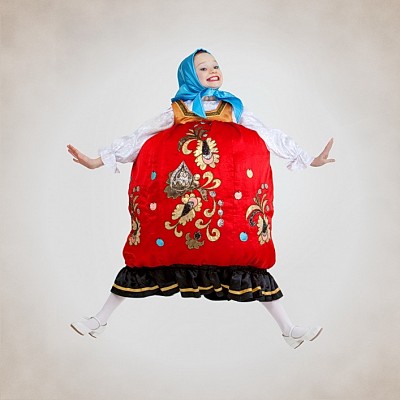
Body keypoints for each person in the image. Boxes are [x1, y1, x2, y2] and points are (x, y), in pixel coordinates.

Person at [68, 49, 334, 348]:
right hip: (179, 201)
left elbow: (271, 135)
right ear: (189, 76)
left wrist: (310, 159)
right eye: (203, 68)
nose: (212, 70)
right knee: (148, 254)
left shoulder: (234, 108)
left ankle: (289, 329)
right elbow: (138, 138)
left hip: (230, 206)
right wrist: (97, 161)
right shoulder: (176, 110)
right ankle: (100, 319)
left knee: (243, 255)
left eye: (215, 65)